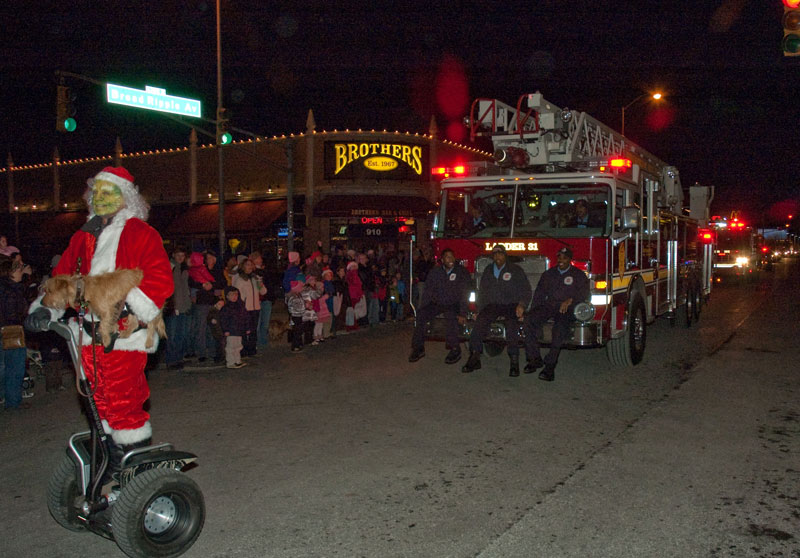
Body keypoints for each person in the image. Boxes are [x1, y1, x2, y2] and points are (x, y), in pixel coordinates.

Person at [27, 166, 173, 461]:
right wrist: (45, 307)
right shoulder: (82, 238)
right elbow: (61, 278)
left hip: (123, 335)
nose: (100, 197)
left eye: (108, 192)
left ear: (125, 197)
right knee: (97, 400)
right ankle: (110, 457)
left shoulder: (141, 233)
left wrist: (132, 304)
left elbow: (159, 278)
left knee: (123, 401)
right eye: (96, 192)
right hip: (86, 337)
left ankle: (135, 461)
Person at [461, 244, 532, 376]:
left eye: (500, 253)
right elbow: (482, 292)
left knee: (511, 325)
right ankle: (475, 356)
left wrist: (522, 305)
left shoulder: (515, 270)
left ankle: (514, 361)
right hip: (493, 305)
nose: (497, 256)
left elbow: (526, 290)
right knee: (480, 322)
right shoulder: (488, 270)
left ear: (505, 255)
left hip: (511, 304)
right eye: (495, 254)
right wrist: (478, 310)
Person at [523, 246, 590, 381]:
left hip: (567, 308)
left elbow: (584, 293)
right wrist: (533, 311)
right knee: (529, 320)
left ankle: (550, 366)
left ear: (570, 260)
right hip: (550, 305)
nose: (561, 260)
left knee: (559, 328)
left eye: (564, 258)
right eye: (559, 257)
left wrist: (571, 300)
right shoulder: (549, 274)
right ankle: (534, 359)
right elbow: (539, 294)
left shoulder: (578, 275)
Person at [408, 248, 470, 365]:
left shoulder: (461, 272)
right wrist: (424, 307)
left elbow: (464, 293)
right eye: (447, 257)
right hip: (438, 303)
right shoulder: (435, 272)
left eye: (452, 256)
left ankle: (455, 348)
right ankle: (418, 348)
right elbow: (428, 291)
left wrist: (463, 313)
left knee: (450, 316)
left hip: (453, 303)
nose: (450, 259)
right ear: (442, 260)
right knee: (421, 314)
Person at [1, 259, 31, 409]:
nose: (21, 272)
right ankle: (13, 402)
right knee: (15, 367)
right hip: (12, 330)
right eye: (19, 270)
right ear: (11, 272)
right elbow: (12, 312)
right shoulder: (11, 290)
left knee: (6, 367)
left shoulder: (9, 287)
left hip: (7, 329)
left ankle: (9, 399)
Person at [188, 250, 225, 363]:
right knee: (201, 328)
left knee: (213, 328)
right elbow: (192, 282)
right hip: (202, 302)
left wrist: (212, 285)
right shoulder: (198, 269)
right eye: (206, 258)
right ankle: (201, 353)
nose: (208, 260)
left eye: (210, 257)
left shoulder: (217, 271)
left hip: (213, 303)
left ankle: (213, 351)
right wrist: (203, 285)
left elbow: (222, 283)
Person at [164, 246, 192, 370]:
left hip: (184, 306)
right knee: (172, 334)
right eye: (178, 255)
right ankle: (171, 360)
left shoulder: (184, 269)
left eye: (182, 256)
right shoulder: (170, 267)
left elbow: (185, 288)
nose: (180, 258)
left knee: (182, 334)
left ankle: (179, 358)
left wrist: (188, 304)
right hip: (173, 306)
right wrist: (172, 304)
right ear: (174, 256)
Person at [232, 258, 266, 356]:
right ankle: (243, 350)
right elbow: (237, 295)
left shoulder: (255, 278)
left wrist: (260, 284)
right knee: (244, 330)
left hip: (255, 308)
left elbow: (263, 292)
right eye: (247, 264)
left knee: (253, 330)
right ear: (243, 266)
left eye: (251, 265)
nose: (250, 267)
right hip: (245, 308)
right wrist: (240, 307)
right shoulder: (240, 279)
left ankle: (252, 350)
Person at [218, 286, 248, 369]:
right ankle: (230, 362)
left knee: (238, 346)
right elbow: (223, 320)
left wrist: (246, 327)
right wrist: (226, 330)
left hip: (239, 330)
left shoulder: (240, 306)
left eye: (236, 294)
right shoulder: (226, 308)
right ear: (227, 296)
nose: (234, 296)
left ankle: (237, 361)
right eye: (231, 295)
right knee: (231, 347)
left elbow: (245, 317)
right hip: (231, 330)